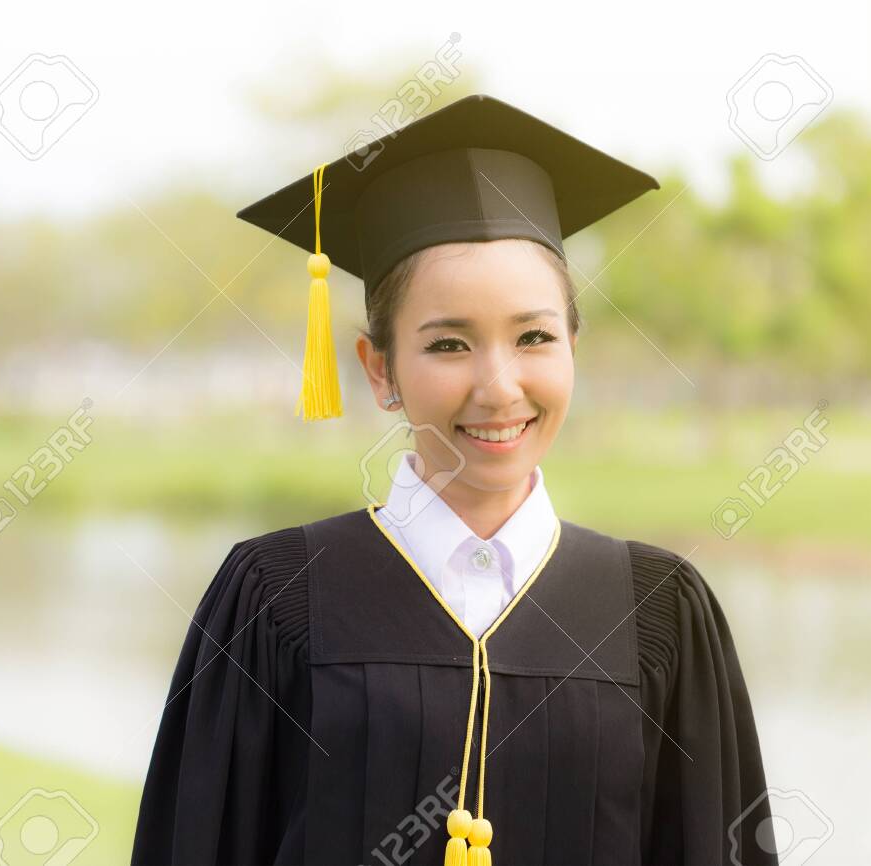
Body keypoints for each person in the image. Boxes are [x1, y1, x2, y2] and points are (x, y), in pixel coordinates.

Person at [130, 94, 776, 866]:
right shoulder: (276, 600)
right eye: (448, 345)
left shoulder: (658, 616)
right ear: (379, 369)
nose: (499, 386)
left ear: (574, 345)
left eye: (533, 336)